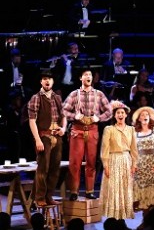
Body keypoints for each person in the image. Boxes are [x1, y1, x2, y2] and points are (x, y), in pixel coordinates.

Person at [63, 67, 112, 201]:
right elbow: (64, 110)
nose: (88, 76)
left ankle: (89, 190)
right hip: (77, 130)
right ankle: (74, 191)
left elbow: (109, 111)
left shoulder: (99, 94)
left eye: (90, 74)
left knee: (91, 162)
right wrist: (75, 116)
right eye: (85, 74)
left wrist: (99, 118)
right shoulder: (74, 94)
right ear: (81, 78)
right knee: (75, 162)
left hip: (92, 130)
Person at [27, 70, 67, 207]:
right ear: (41, 82)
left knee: (55, 169)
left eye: (49, 78)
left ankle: (49, 195)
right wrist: (37, 139)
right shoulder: (36, 98)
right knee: (43, 168)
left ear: (53, 81)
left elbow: (64, 116)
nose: (47, 81)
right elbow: (32, 121)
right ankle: (39, 197)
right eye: (44, 79)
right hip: (44, 135)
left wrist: (64, 129)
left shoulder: (57, 97)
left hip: (57, 135)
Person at [99, 100, 137, 219]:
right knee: (114, 187)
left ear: (126, 115)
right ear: (114, 115)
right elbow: (105, 149)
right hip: (113, 159)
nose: (120, 115)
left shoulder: (131, 129)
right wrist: (106, 165)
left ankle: (123, 218)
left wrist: (134, 164)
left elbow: (134, 149)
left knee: (125, 188)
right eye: (118, 113)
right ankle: (113, 217)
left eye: (122, 113)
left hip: (126, 159)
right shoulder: (109, 129)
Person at [132, 106, 154, 216]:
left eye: (147, 114)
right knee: (143, 198)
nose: (145, 116)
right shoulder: (134, 132)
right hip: (141, 166)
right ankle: (145, 221)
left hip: (153, 164)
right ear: (138, 119)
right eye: (142, 115)